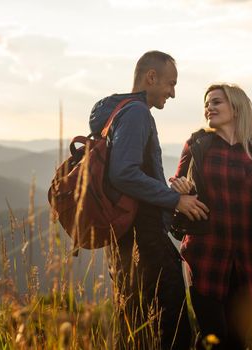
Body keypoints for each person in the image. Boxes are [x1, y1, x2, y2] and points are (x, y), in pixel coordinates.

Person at [88, 51, 209, 349]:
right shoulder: (138, 113)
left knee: (135, 320)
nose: (173, 93)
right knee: (172, 321)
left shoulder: (117, 112)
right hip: (145, 237)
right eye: (170, 83)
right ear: (151, 77)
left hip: (127, 235)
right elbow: (124, 174)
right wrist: (174, 200)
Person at [170, 83, 252, 349]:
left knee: (238, 341)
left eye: (216, 102)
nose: (209, 107)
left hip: (243, 258)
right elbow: (178, 185)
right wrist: (180, 192)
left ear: (236, 108)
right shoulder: (198, 144)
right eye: (206, 103)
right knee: (212, 338)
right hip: (205, 253)